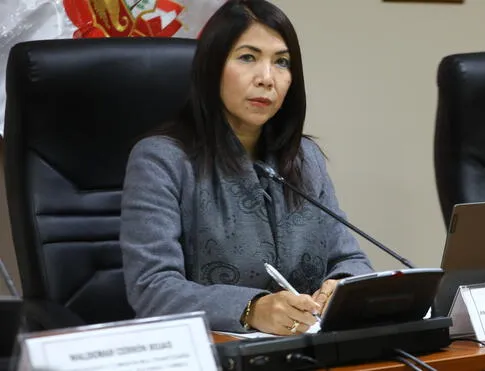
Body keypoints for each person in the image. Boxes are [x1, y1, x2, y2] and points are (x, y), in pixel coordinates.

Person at [120, 0, 374, 336]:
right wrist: (251, 309)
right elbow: (152, 288)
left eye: (281, 62)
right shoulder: (162, 160)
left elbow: (350, 261)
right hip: (212, 351)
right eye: (247, 57)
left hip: (304, 349)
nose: (267, 79)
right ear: (212, 67)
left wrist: (339, 289)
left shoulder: (304, 158)